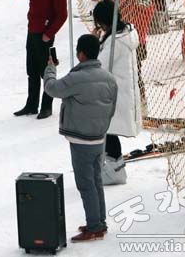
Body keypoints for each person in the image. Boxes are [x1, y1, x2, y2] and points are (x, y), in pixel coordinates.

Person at [42, 34, 118, 242]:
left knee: (86, 184)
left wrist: (50, 69)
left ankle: (94, 226)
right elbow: (112, 108)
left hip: (81, 139)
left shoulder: (77, 78)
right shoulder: (109, 78)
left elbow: (51, 88)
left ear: (81, 54)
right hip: (99, 137)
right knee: (96, 181)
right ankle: (99, 221)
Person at [7, 0, 67, 119]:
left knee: (46, 72)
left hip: (44, 36)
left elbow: (62, 15)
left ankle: (46, 107)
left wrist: (49, 34)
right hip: (32, 32)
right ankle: (31, 105)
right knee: (32, 71)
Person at [92, 0, 141, 186]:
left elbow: (99, 66)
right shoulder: (126, 33)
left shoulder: (116, 42)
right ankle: (113, 168)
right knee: (108, 132)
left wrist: (93, 43)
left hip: (115, 95)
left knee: (108, 131)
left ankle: (115, 172)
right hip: (120, 92)